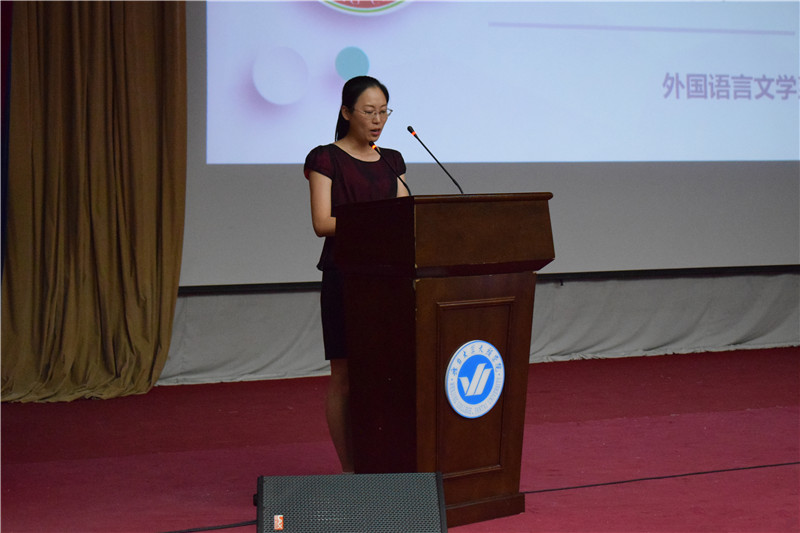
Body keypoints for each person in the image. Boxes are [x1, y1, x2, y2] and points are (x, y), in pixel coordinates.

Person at [303, 76, 409, 473]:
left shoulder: (392, 160)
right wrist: (378, 224)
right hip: (345, 279)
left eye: (383, 112)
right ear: (347, 112)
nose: (378, 120)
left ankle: (385, 461)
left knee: (388, 375)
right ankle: (350, 470)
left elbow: (405, 218)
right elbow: (322, 222)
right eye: (369, 112)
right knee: (346, 377)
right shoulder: (325, 159)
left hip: (391, 281)